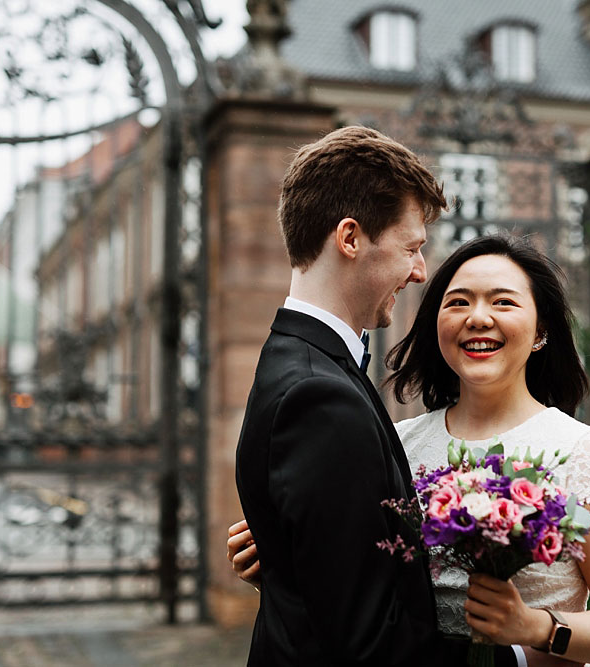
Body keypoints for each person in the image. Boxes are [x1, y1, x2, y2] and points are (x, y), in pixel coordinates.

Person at [230, 235, 590, 665]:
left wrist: (538, 628)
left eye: (503, 302)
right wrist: (286, 565)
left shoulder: (586, 454)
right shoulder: (398, 443)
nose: (478, 318)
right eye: (457, 303)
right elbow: (361, 599)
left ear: (541, 330)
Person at [233, 126, 522, 666]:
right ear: (350, 238)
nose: (420, 271)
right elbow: (368, 644)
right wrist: (519, 660)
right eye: (412, 247)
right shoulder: (320, 396)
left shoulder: (300, 362)